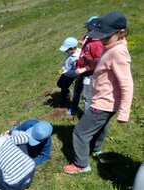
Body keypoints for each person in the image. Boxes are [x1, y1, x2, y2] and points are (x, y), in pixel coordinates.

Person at [63, 11, 134, 174]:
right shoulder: (112, 45)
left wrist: (124, 113)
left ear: (121, 32)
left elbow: (127, 84)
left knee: (80, 132)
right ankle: (96, 149)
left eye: (105, 36)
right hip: (106, 100)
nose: (102, 40)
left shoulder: (118, 52)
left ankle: (81, 164)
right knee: (101, 126)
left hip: (103, 102)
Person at [66, 16, 104, 115]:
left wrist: (85, 68)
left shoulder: (97, 44)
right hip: (81, 70)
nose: (88, 31)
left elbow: (98, 61)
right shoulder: (89, 39)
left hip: (89, 74)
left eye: (89, 29)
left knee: (87, 96)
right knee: (76, 90)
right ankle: (73, 108)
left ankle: (87, 117)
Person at [57, 37, 81, 107]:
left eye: (66, 50)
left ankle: (63, 103)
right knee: (59, 84)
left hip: (70, 76)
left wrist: (64, 71)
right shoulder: (71, 53)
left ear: (73, 48)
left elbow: (75, 72)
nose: (65, 51)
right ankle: (67, 93)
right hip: (65, 72)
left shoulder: (77, 59)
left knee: (63, 89)